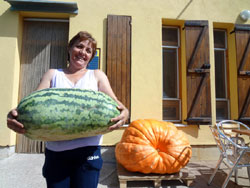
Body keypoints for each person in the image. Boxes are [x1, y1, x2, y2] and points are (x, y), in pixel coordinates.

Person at [7, 31, 129, 188]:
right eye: (79, 46)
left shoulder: (97, 75)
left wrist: (125, 112)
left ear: (91, 56)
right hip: (56, 155)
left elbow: (116, 103)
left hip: (88, 153)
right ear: (70, 48)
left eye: (88, 50)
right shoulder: (53, 74)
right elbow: (34, 104)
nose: (83, 52)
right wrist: (14, 116)